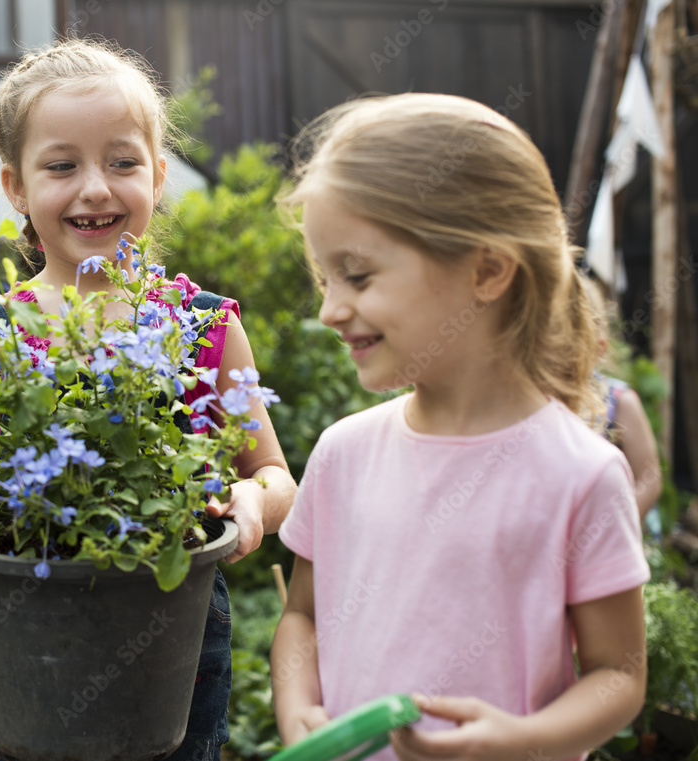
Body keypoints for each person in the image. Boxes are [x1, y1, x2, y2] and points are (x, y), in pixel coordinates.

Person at [0, 38, 297, 761]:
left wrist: (252, 501)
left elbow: (277, 477)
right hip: (29, 648)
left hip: (172, 648)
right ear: (15, 186)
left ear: (158, 175)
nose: (95, 187)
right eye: (61, 165)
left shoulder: (204, 325)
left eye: (123, 162)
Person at [270, 93, 649, 761]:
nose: (330, 309)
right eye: (325, 278)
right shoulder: (344, 454)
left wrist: (524, 739)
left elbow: (618, 674)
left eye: (356, 275)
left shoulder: (579, 473)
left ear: (487, 269)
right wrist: (298, 704)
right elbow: (302, 616)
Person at [583, 276, 662, 525]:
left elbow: (649, 479)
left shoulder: (619, 402)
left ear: (600, 346)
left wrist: (615, 526)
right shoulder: (536, 401)